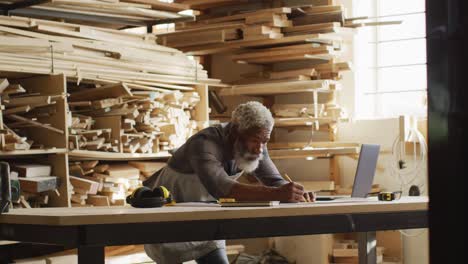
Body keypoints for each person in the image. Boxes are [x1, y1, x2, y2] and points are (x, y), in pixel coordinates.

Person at [143, 101, 309, 264]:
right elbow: (223, 190)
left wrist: (295, 192)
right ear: (235, 132)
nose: (259, 149)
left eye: (264, 141)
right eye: (255, 140)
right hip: (171, 219)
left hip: (206, 220)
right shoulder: (204, 143)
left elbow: (274, 181)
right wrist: (278, 194)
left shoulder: (257, 142)